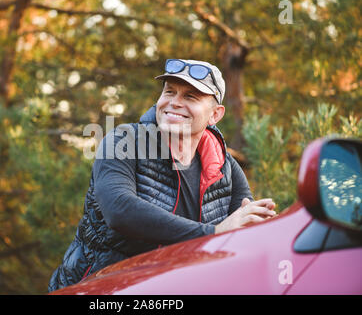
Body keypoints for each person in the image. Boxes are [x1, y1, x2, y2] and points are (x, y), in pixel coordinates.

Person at [48, 58, 276, 291]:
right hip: (98, 288)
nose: (175, 103)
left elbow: (246, 231)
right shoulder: (123, 142)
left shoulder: (224, 167)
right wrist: (212, 233)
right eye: (170, 92)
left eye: (190, 97)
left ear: (215, 115)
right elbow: (119, 210)